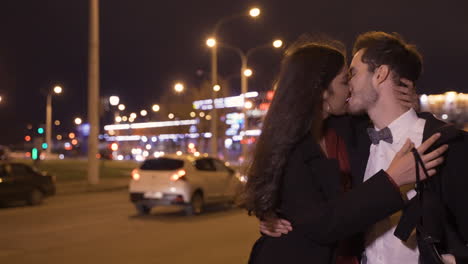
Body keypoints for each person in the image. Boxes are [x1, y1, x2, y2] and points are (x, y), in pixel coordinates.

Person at [262, 32, 468, 263]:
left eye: (353, 73)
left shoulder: (446, 143)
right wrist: (273, 214)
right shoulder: (353, 140)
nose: (348, 83)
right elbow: (322, 205)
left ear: (380, 74)